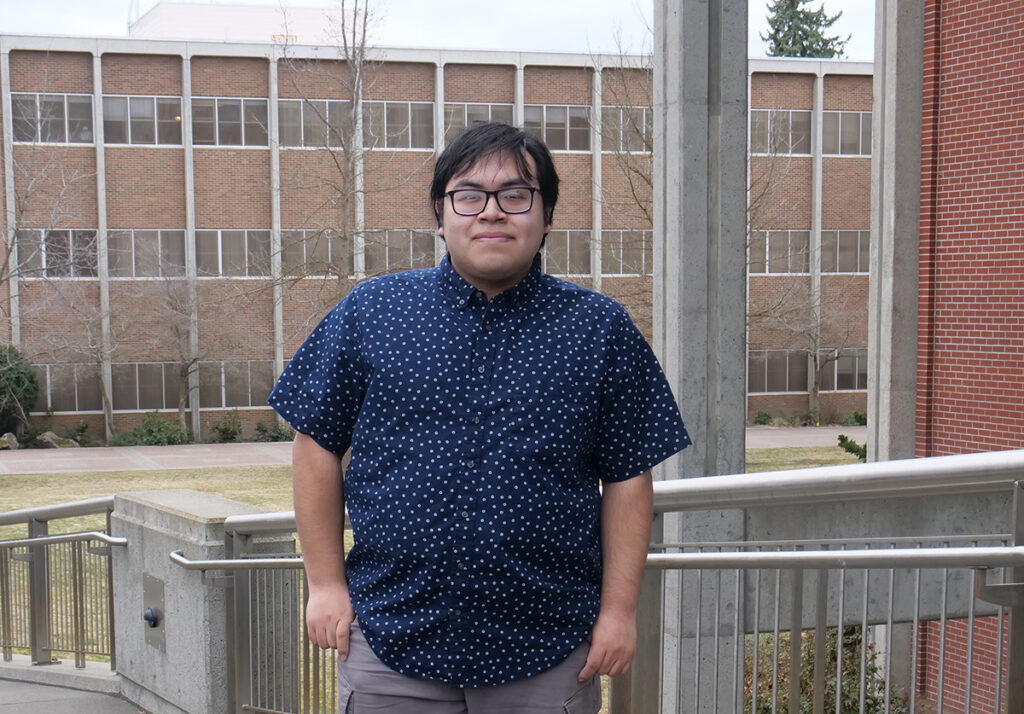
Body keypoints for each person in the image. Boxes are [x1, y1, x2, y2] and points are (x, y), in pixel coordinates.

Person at [268, 121, 690, 713]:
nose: (492, 211)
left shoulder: (600, 329)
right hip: (391, 635)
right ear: (440, 216)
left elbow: (627, 476)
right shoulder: (372, 313)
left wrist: (619, 613)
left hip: (548, 644)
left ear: (547, 216)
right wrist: (325, 584)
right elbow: (315, 442)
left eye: (516, 195)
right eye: (469, 195)